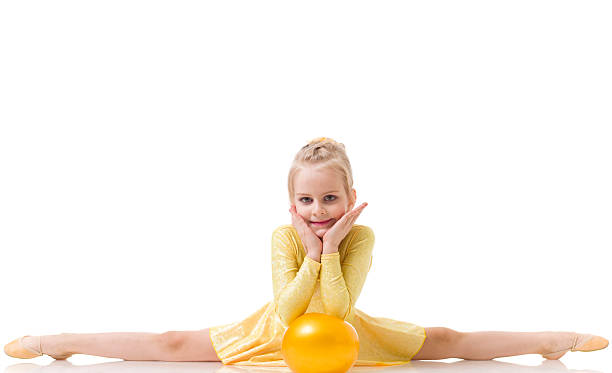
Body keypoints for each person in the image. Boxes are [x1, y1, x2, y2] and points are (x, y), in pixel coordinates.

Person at [4, 137, 609, 364]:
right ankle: (57, 343)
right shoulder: (283, 235)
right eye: (307, 202)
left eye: (329, 200)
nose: (318, 213)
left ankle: (551, 338)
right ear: (290, 201)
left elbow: (338, 316)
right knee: (169, 343)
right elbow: (291, 313)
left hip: (343, 333)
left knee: (445, 339)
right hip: (277, 328)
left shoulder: (361, 234)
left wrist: (337, 248)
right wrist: (315, 252)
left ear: (350, 196)